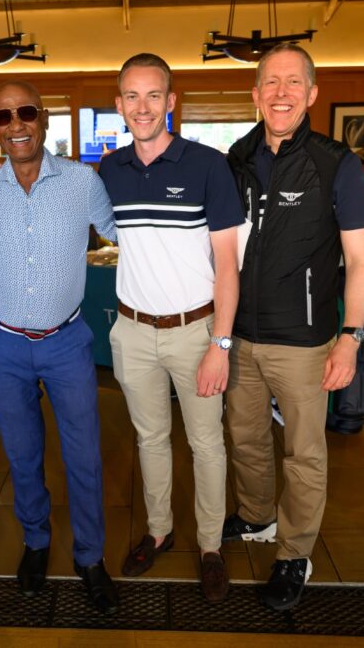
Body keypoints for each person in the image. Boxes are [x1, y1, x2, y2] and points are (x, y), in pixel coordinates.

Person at [223, 43, 364, 611]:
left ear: (311, 94)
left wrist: (350, 338)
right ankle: (257, 516)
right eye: (271, 82)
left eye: (293, 82)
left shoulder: (337, 164)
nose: (281, 92)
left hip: (305, 340)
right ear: (256, 94)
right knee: (245, 437)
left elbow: (360, 261)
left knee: (304, 452)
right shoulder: (237, 156)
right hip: (240, 335)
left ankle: (294, 553)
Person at [0, 80, 120, 614]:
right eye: (3, 116)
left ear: (44, 118)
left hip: (66, 341)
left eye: (26, 112)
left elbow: (127, 234)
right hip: (2, 342)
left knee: (84, 455)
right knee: (22, 453)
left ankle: (90, 556)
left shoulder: (83, 181)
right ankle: (35, 541)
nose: (16, 125)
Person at [98, 53, 242, 603]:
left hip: (195, 332)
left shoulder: (208, 166)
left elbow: (227, 265)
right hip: (133, 332)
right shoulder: (110, 170)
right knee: (150, 439)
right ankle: (159, 531)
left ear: (171, 101)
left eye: (153, 95)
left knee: (206, 443)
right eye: (132, 96)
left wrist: (220, 344)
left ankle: (210, 546)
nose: (143, 107)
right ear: (119, 105)